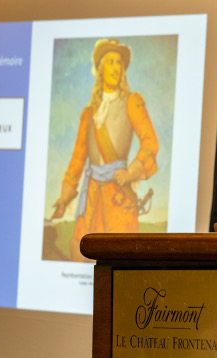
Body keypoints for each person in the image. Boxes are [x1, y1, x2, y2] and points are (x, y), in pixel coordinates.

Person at [51, 38, 159, 261]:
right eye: (110, 62)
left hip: (119, 198)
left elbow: (150, 142)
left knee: (123, 262)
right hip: (91, 199)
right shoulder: (89, 114)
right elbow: (78, 160)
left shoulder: (132, 102)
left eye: (119, 62)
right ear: (100, 69)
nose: (116, 67)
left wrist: (131, 172)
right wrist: (64, 199)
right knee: (81, 253)